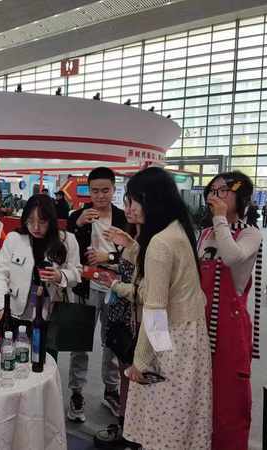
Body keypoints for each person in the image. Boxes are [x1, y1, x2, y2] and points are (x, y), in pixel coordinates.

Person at [102, 167, 212, 450]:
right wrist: (133, 247)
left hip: (170, 339)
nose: (128, 208)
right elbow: (163, 287)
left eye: (133, 200)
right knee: (182, 421)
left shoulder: (160, 242)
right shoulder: (177, 229)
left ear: (151, 200)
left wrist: (140, 362)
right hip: (188, 337)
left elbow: (155, 309)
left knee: (162, 422)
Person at [201, 171, 263, 450]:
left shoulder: (250, 233)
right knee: (200, 392)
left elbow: (231, 256)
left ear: (242, 197)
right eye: (212, 190)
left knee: (228, 398)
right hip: (200, 321)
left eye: (223, 190)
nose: (215, 195)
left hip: (230, 327)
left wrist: (220, 219)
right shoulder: (204, 234)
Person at [66, 166, 128, 422]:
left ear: (114, 189)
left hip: (115, 287)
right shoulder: (77, 216)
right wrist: (78, 225)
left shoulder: (124, 218)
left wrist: (109, 257)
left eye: (105, 190)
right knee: (80, 341)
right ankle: (76, 392)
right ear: (88, 191)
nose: (100, 196)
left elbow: (132, 253)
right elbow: (67, 249)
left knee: (112, 341)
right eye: (95, 191)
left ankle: (111, 390)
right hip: (86, 285)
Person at [0, 194, 81, 354]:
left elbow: (77, 273)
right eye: (30, 221)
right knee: (12, 357)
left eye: (42, 222)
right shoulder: (14, 239)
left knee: (45, 360)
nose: (36, 227)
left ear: (51, 220)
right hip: (15, 313)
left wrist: (60, 276)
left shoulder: (67, 240)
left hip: (50, 315)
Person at [93, 202, 141, 450]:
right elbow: (126, 266)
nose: (129, 209)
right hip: (121, 313)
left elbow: (145, 290)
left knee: (136, 373)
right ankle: (125, 423)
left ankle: (132, 429)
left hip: (138, 318)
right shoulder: (132, 234)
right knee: (125, 370)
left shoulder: (155, 240)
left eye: (135, 203)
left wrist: (114, 284)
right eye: (128, 203)